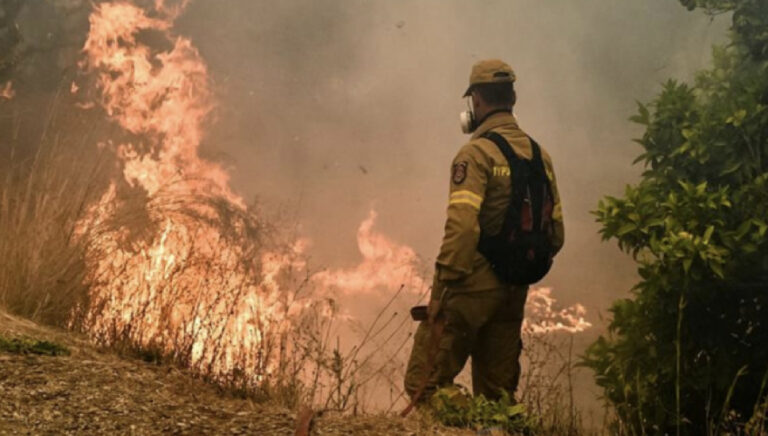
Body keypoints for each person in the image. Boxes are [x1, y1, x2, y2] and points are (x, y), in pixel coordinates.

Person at [404, 59, 565, 404]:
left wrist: (442, 290)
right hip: (514, 291)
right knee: (498, 400)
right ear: (513, 98)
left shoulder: (475, 154)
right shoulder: (540, 155)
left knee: (425, 386)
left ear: (476, 100)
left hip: (470, 288)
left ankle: (459, 425)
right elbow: (557, 234)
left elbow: (462, 228)